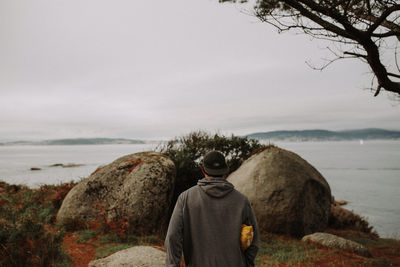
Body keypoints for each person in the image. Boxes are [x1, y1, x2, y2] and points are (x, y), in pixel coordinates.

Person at [165, 150, 259, 267]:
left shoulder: (186, 198)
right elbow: (253, 241)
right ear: (225, 171)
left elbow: (173, 237)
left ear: (203, 170)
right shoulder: (242, 201)